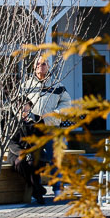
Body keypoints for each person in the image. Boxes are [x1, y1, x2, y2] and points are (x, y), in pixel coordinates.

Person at [20, 55, 71, 189]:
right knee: (34, 160)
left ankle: (58, 189)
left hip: (52, 127)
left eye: (43, 64)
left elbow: (66, 103)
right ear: (34, 66)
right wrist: (25, 114)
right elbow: (19, 104)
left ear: (48, 66)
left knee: (55, 159)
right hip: (33, 128)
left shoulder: (57, 85)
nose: (40, 67)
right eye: (38, 64)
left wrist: (56, 113)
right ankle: (36, 191)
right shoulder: (26, 86)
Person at [8, 99, 47, 205]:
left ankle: (36, 191)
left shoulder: (37, 120)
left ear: (30, 108)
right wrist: (22, 152)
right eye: (21, 109)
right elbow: (11, 142)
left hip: (35, 153)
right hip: (17, 154)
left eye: (26, 108)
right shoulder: (12, 122)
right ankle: (38, 190)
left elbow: (42, 139)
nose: (24, 111)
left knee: (32, 163)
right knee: (20, 163)